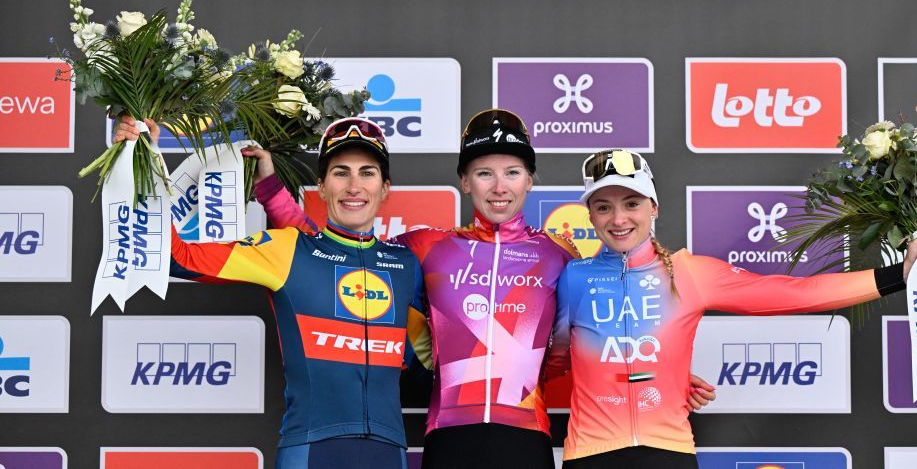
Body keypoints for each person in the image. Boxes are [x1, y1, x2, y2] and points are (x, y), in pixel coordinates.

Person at [253, 110, 716, 469]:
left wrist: (660, 373)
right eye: (483, 173)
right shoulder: (428, 247)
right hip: (449, 437)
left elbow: (606, 319)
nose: (499, 187)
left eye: (512, 172)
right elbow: (329, 251)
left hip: (527, 438)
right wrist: (272, 191)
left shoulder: (558, 254)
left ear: (530, 181)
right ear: (464, 181)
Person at [545, 149, 917, 469]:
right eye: (603, 207)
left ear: (654, 207)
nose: (618, 219)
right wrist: (651, 372)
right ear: (590, 215)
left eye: (632, 204)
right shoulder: (574, 277)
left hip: (667, 451)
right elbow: (552, 360)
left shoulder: (689, 273)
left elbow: (791, 294)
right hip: (589, 452)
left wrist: (900, 274)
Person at [115, 117, 430, 469]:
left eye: (367, 173)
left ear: (385, 189)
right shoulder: (287, 250)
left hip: (388, 452)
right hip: (309, 449)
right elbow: (176, 257)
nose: (354, 186)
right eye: (341, 173)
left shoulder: (405, 265)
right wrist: (142, 163)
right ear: (321, 187)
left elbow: (426, 365)